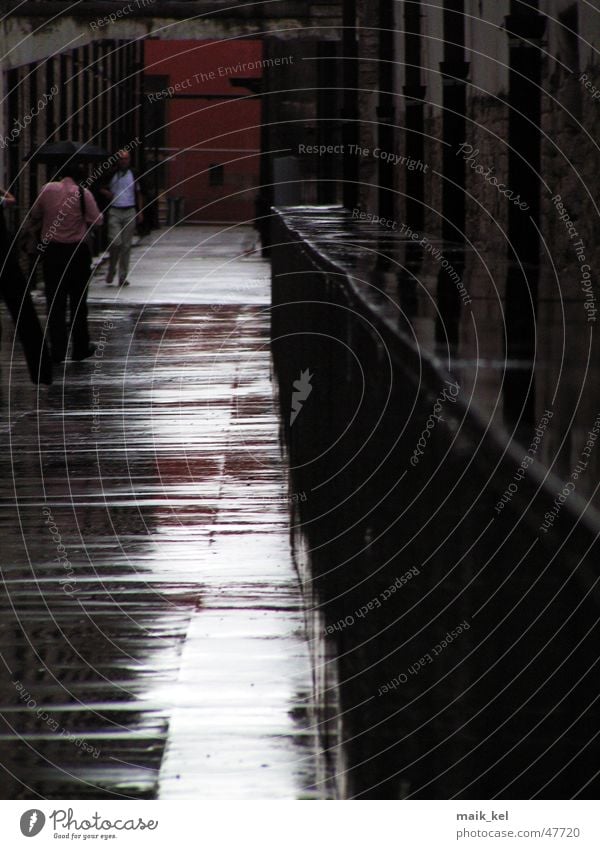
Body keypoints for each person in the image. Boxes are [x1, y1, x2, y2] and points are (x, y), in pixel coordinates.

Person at [28, 160, 103, 364]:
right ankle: (80, 347)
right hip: (77, 254)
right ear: (79, 177)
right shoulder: (83, 194)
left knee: (55, 304)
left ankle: (57, 351)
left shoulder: (47, 190)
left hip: (52, 253)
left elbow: (35, 214)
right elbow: (97, 220)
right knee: (78, 303)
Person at [0, 188, 53, 384]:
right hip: (5, 260)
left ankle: (42, 371)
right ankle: (41, 372)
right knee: (25, 316)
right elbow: (10, 200)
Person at [100, 150, 143, 287]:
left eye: (126, 159)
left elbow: (139, 192)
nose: (123, 161)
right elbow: (98, 186)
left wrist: (139, 211)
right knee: (115, 241)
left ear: (129, 160)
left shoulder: (134, 174)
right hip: (115, 210)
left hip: (130, 210)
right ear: (117, 161)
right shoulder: (111, 174)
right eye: (121, 159)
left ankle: (122, 276)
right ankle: (112, 268)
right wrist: (106, 193)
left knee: (126, 246)